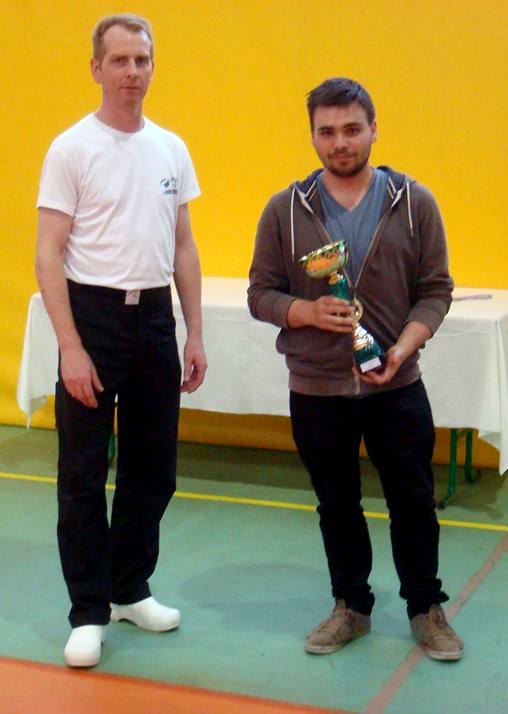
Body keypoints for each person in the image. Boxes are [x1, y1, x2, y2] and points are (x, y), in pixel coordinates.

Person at [248, 77, 463, 661]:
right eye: (327, 132)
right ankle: (351, 606)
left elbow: (436, 291)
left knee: (413, 502)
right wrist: (305, 311)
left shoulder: (413, 203)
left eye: (351, 129)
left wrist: (403, 349)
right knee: (336, 505)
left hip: (397, 384)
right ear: (313, 136)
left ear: (373, 129)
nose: (339, 142)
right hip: (316, 389)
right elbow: (260, 293)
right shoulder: (285, 210)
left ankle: (426, 607)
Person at [35, 14, 207, 668]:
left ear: (152, 67)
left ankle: (129, 588)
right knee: (82, 473)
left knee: (153, 468)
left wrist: (194, 332)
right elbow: (48, 253)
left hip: (154, 319)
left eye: (142, 60)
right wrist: (71, 347)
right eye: (120, 60)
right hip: (93, 317)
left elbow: (183, 245)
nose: (133, 72)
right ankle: (88, 610)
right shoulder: (71, 149)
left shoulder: (171, 148)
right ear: (96, 68)